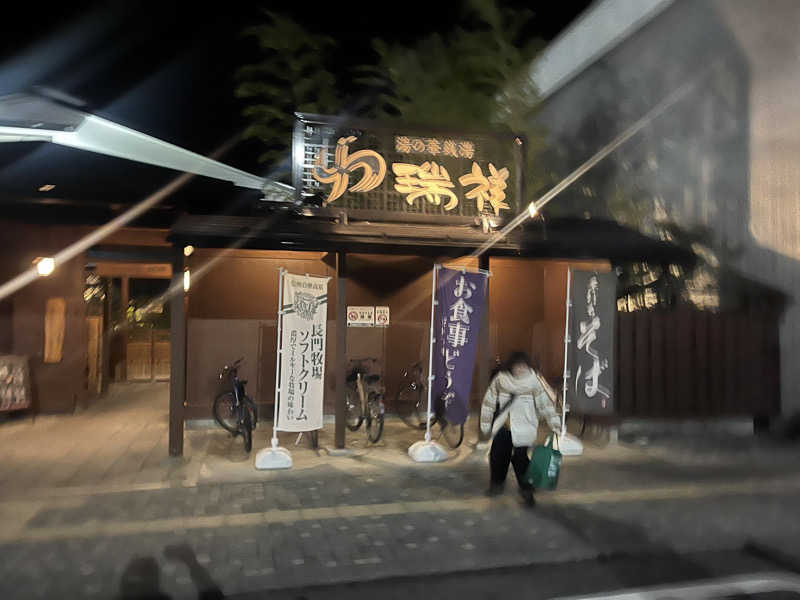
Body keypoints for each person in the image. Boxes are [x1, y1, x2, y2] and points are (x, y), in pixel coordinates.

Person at [480, 351, 561, 506]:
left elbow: (545, 405)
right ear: (511, 366)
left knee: (521, 460)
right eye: (517, 366)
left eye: (524, 366)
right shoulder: (501, 380)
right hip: (504, 426)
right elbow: (488, 402)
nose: (521, 369)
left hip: (525, 427)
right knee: (498, 456)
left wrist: (555, 423)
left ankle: (527, 491)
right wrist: (485, 423)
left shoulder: (534, 382)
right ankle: (496, 485)